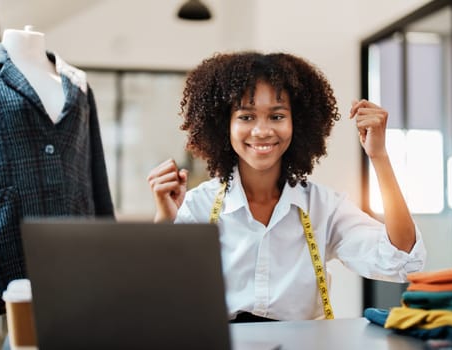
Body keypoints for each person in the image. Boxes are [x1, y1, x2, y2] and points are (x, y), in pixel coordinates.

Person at [147, 51, 426, 322]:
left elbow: (401, 260)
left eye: (277, 116)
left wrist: (379, 156)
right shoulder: (199, 206)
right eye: (246, 117)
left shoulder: (323, 207)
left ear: (298, 123)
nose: (262, 130)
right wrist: (165, 219)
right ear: (224, 125)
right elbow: (159, 291)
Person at [0, 26, 114, 315]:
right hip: (6, 239)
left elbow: (95, 170)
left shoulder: (77, 82)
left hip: (76, 245)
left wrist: (110, 250)